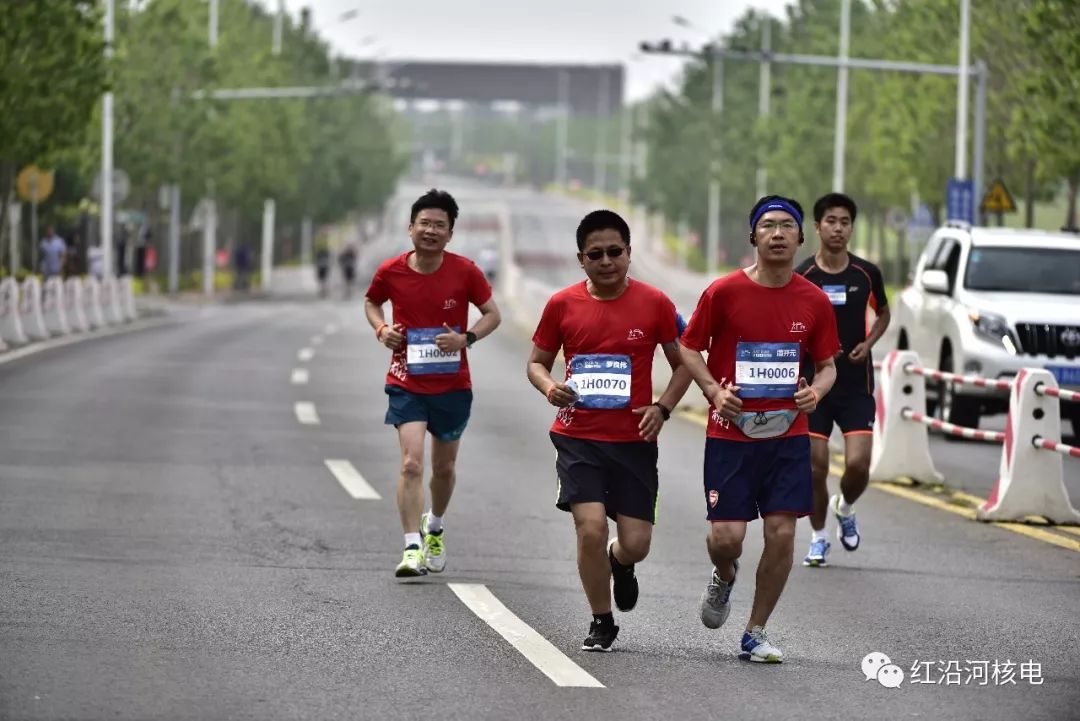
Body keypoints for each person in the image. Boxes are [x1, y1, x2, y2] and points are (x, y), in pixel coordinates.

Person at [679, 195, 839, 663]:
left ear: (799, 237)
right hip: (731, 434)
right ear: (753, 236)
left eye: (786, 226)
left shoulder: (813, 301)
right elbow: (690, 348)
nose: (777, 233)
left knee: (783, 532)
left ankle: (756, 630)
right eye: (767, 226)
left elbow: (827, 366)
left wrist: (817, 393)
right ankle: (724, 576)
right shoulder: (723, 292)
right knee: (726, 539)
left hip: (788, 434)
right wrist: (713, 391)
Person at [527, 209, 692, 652]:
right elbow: (537, 363)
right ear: (580, 259)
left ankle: (621, 563)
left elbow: (685, 365)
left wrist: (663, 408)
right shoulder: (562, 305)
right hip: (578, 437)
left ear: (629, 253)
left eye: (614, 252)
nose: (606, 261)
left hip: (635, 442)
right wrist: (549, 387)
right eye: (595, 254)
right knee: (590, 528)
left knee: (635, 543)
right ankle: (602, 619)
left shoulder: (656, 303)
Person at [364, 189, 501, 578]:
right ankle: (411, 548)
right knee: (411, 463)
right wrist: (382, 329)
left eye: (439, 225)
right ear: (410, 228)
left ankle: (434, 526)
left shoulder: (465, 271)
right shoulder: (391, 271)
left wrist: (466, 339)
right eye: (424, 223)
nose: (430, 230)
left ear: (450, 233)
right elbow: (372, 302)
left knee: (443, 469)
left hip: (453, 386)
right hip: (406, 381)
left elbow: (493, 314)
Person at [795, 193, 890, 567]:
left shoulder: (866, 274)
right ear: (817, 227)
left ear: (852, 227)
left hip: (855, 386)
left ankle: (845, 507)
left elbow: (883, 313)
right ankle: (818, 537)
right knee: (815, 466)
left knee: (858, 465)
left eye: (845, 222)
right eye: (830, 221)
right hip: (814, 386)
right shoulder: (804, 275)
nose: (838, 228)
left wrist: (869, 343)